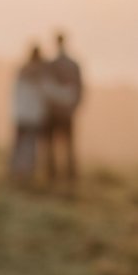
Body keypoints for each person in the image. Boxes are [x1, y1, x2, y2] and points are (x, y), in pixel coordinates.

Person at [40, 33, 84, 183]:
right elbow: (80, 89)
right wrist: (74, 107)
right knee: (68, 147)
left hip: (52, 111)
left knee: (51, 145)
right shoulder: (74, 65)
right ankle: (70, 177)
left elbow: (44, 88)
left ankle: (51, 176)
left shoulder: (49, 64)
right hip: (66, 112)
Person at [8, 44, 49, 180]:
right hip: (33, 116)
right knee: (30, 147)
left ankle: (13, 172)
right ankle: (26, 174)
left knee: (17, 146)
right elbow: (48, 92)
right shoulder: (41, 74)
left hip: (20, 114)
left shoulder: (22, 70)